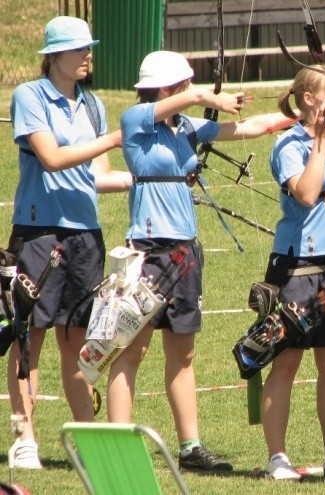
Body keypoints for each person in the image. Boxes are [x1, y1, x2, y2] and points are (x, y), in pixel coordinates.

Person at [108, 50, 300, 472]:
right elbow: (177, 102)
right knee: (131, 351)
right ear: (166, 88)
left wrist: (296, 114)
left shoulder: (185, 126)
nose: (187, 91)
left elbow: (248, 126)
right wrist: (200, 96)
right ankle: (118, 446)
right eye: (181, 85)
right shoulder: (136, 119)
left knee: (184, 353)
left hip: (184, 253)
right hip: (148, 251)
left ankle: (190, 447)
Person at [7, 16, 131, 469]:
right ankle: (24, 437)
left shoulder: (94, 105)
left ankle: (90, 441)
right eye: (79, 49)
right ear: (53, 55)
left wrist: (155, 179)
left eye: (88, 48)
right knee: (28, 338)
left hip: (85, 236)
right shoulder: (29, 96)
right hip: (40, 234)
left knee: (80, 342)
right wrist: (116, 137)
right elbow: (54, 159)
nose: (88, 56)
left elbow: (98, 178)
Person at [258, 65, 325, 481]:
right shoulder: (292, 145)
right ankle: (277, 456)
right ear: (306, 100)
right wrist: (319, 139)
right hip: (296, 269)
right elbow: (305, 192)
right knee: (285, 363)